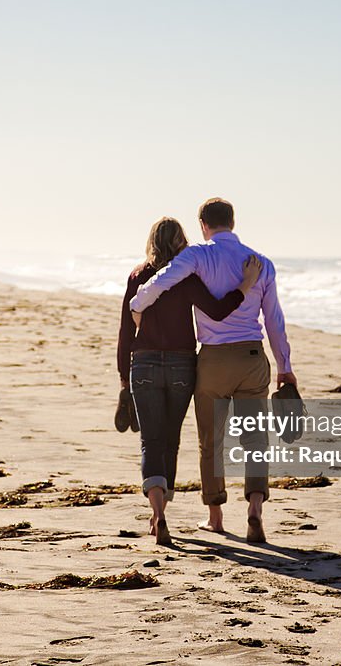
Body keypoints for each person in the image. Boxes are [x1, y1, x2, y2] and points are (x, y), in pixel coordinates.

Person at [129, 198, 296, 543]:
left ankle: (215, 516)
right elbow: (274, 320)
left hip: (212, 360)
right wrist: (285, 367)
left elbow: (161, 280)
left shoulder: (197, 256)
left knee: (211, 442)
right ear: (232, 223)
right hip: (252, 357)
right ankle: (254, 508)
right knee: (255, 439)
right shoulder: (260, 263)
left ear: (203, 224)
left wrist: (137, 304)